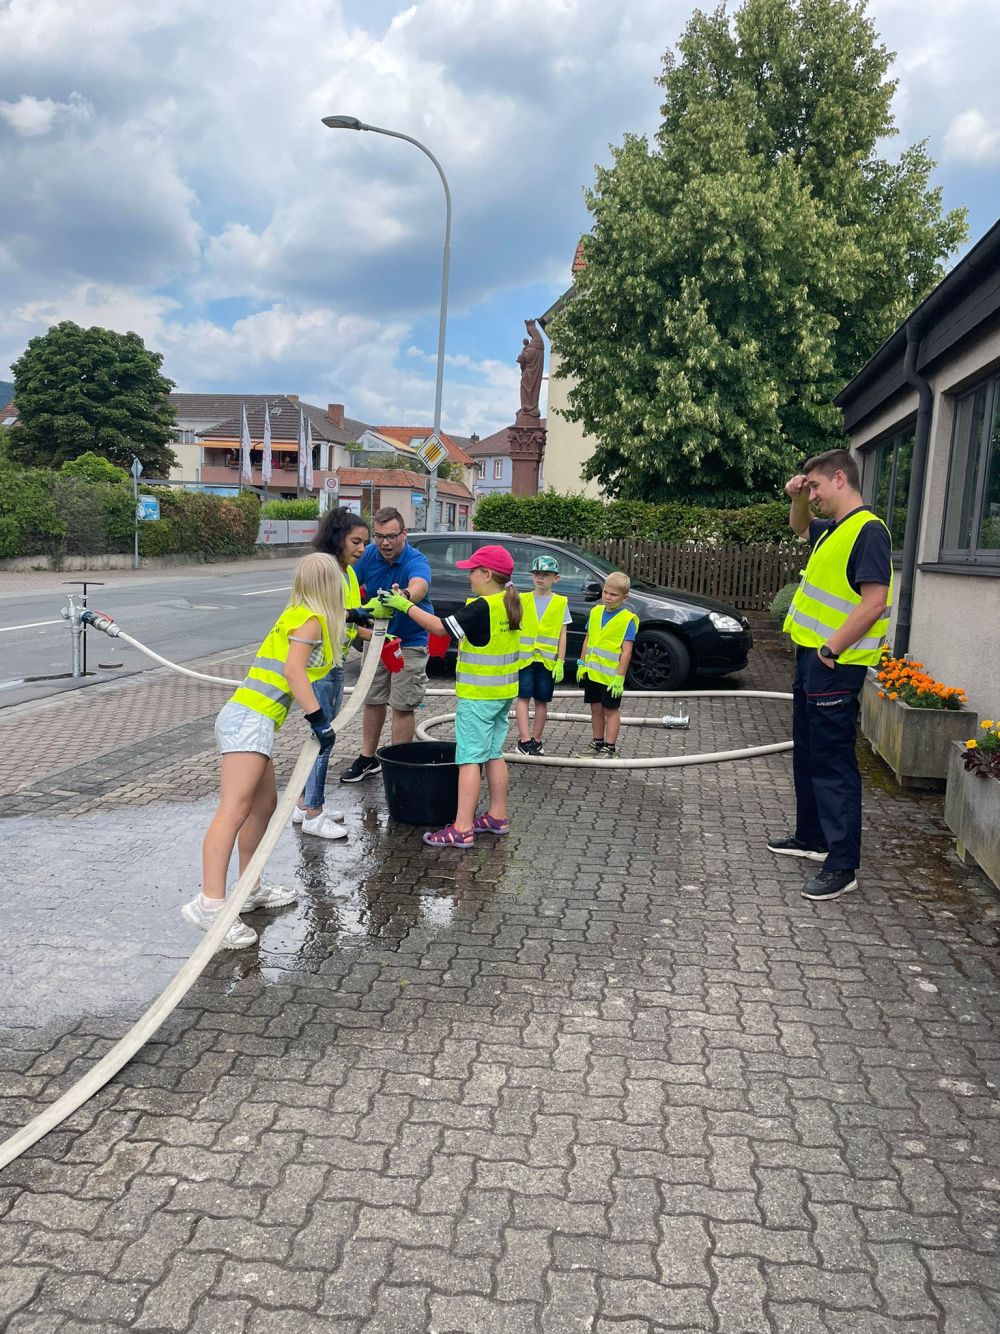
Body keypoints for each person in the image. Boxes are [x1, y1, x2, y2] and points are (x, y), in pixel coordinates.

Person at [183, 552, 346, 950]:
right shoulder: (311, 619)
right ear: (331, 585)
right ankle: (210, 903)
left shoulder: (296, 612)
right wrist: (318, 719)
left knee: (264, 805)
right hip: (248, 721)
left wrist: (356, 622)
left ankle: (250, 886)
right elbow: (294, 671)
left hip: (252, 719)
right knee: (233, 812)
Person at [768, 448, 892, 902]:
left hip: (833, 665)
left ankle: (842, 864)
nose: (813, 495)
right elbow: (799, 525)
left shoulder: (868, 531)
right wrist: (796, 495)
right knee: (809, 752)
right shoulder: (833, 530)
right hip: (811, 663)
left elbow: (874, 601)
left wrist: (830, 648)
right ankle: (812, 837)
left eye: (816, 486)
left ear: (840, 479)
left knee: (833, 763)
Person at [376, 544, 522, 848]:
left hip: (478, 697)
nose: (468, 576)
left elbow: (441, 629)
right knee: (494, 754)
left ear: (486, 574)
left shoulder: (482, 607)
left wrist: (405, 607)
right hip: (502, 695)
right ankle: (498, 815)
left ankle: (462, 827)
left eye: (472, 570)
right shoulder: (509, 602)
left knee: (468, 759)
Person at [291, 508, 372, 838]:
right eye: (356, 541)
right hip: (320, 668)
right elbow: (321, 615)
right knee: (323, 738)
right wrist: (354, 617)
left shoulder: (349, 573)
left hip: (333, 663)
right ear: (337, 538)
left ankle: (303, 803)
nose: (361, 549)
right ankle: (313, 812)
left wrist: (368, 631)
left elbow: (339, 622)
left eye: (365, 543)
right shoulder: (325, 571)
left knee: (319, 739)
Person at [340, 507, 433, 784]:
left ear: (404, 534)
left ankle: (398, 764)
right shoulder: (369, 554)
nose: (385, 543)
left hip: (409, 642)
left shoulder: (415, 559)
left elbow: (420, 585)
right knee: (373, 699)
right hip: (376, 640)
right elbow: (346, 575)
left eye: (391, 536)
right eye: (379, 536)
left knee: (403, 705)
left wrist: (404, 595)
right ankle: (368, 758)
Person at [576, 572, 638, 760]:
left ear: (624, 597)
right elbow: (588, 639)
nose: (608, 598)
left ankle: (610, 748)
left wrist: (620, 677)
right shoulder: (595, 612)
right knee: (595, 708)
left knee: (610, 711)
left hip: (611, 677)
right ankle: (597, 742)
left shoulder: (627, 619)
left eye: (614, 595)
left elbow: (626, 651)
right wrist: (581, 663)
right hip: (592, 673)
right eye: (606, 592)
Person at [515, 554, 571, 754]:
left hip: (547, 661)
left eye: (545, 574)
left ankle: (536, 739)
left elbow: (562, 634)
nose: (540, 578)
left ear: (556, 578)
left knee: (542, 700)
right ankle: (524, 739)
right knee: (523, 697)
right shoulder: (522, 599)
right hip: (524, 659)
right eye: (537, 574)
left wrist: (561, 661)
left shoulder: (560, 602)